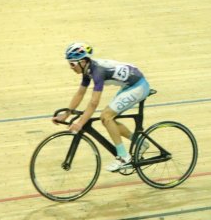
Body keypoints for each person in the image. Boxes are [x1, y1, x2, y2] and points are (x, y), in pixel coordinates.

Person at [54, 43, 151, 172]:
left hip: (138, 86)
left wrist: (80, 123)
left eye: (72, 64)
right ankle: (140, 143)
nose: (71, 67)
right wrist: (67, 114)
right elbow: (80, 93)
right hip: (129, 85)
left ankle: (123, 157)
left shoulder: (98, 72)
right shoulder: (87, 69)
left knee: (106, 116)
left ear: (82, 62)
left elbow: (94, 103)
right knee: (108, 119)